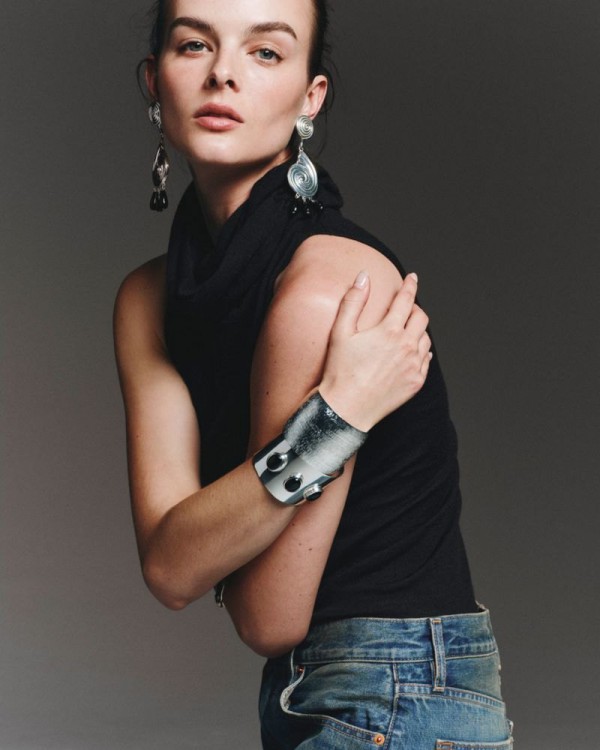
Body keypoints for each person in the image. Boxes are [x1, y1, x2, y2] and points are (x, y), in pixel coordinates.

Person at [113, 1, 513, 747]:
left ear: (310, 96)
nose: (224, 73)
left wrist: (333, 423)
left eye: (265, 52)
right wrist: (337, 419)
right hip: (327, 694)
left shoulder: (327, 291)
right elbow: (168, 567)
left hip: (397, 696)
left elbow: (268, 615)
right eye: (194, 45)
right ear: (154, 82)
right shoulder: (148, 299)